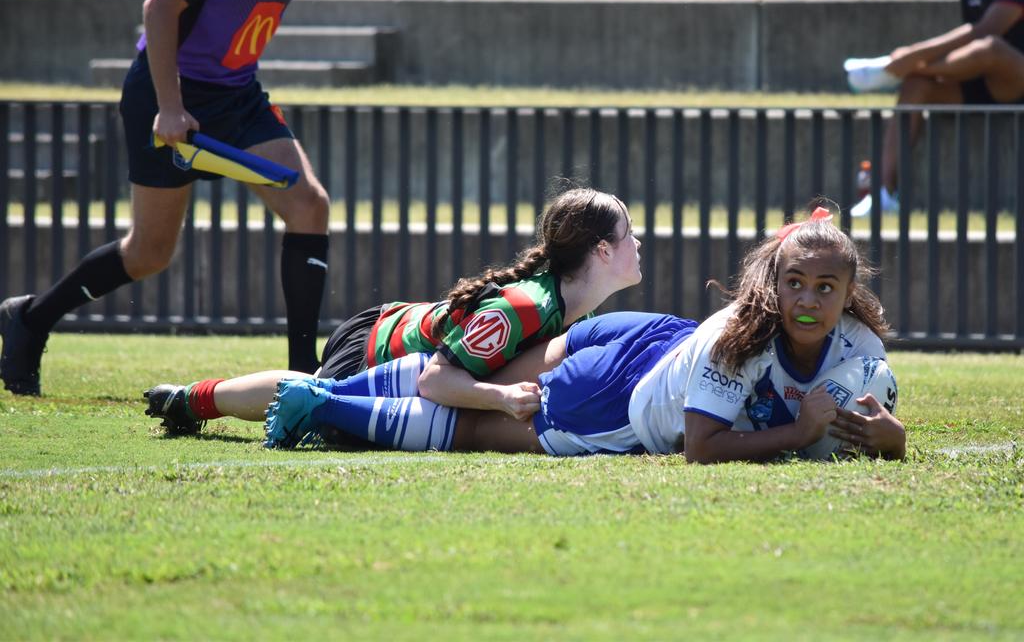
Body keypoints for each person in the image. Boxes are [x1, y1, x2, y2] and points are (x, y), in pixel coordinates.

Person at [0, 0, 364, 396]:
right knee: (149, 252)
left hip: (237, 95)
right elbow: (159, 8)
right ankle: (31, 318)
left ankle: (304, 378)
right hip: (166, 92)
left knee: (309, 204)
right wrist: (170, 107)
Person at [264, 207, 907, 462]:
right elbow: (701, 449)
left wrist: (890, 437)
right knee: (476, 430)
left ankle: (253, 394)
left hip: (652, 334)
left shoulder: (862, 350)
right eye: (796, 283)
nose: (809, 300)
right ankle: (326, 403)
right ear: (775, 283)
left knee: (479, 385)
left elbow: (883, 420)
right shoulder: (736, 338)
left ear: (852, 295)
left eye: (827, 288)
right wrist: (799, 431)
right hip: (624, 393)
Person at [143, 187, 643, 436]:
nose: (638, 242)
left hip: (391, 332)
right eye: (628, 233)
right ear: (600, 251)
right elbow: (433, 381)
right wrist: (500, 397)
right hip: (375, 350)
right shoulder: (526, 306)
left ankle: (190, 400)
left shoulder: (558, 304)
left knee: (311, 387)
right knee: (313, 390)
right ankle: (190, 401)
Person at [847, 0, 1024, 216]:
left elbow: (988, 30)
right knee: (915, 86)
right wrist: (918, 65)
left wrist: (913, 56)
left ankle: (894, 68)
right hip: (989, 84)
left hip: (1016, 72)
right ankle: (883, 193)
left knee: (992, 47)